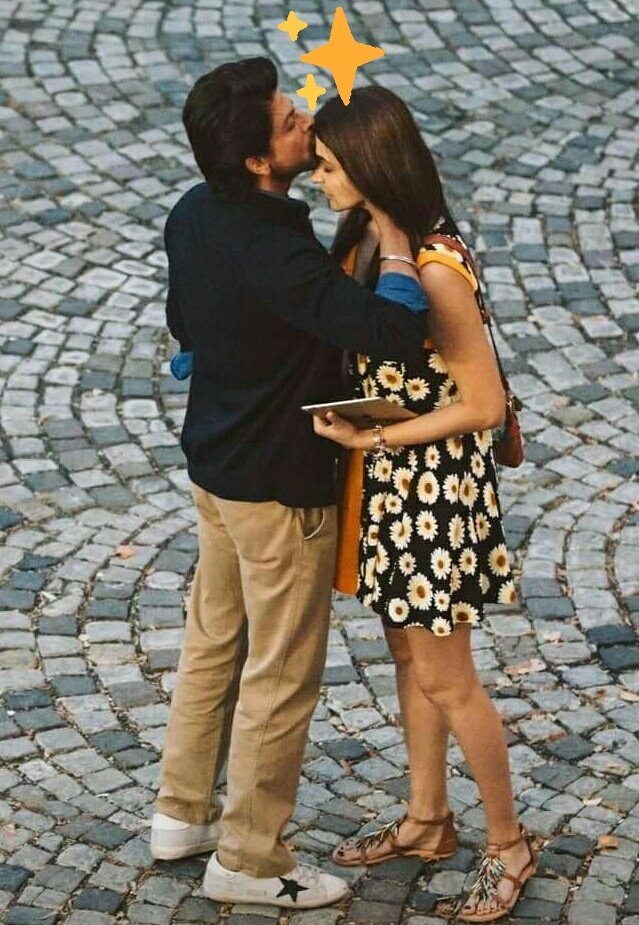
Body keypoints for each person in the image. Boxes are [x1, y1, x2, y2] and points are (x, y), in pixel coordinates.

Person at [152, 57, 431, 911]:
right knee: (279, 676)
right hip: (279, 490)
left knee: (212, 647)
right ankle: (248, 858)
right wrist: (394, 236)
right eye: (287, 122)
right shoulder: (275, 247)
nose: (305, 119)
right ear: (256, 162)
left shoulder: (193, 210)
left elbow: (183, 322)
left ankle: (180, 813)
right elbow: (391, 327)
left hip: (216, 472)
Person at [310, 87, 537, 923]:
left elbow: (481, 403)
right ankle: (426, 818)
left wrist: (378, 437)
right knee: (409, 659)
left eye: (328, 166)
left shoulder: (435, 268)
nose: (319, 179)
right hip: (397, 488)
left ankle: (508, 842)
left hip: (433, 496)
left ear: (368, 166)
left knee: (447, 676)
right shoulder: (371, 239)